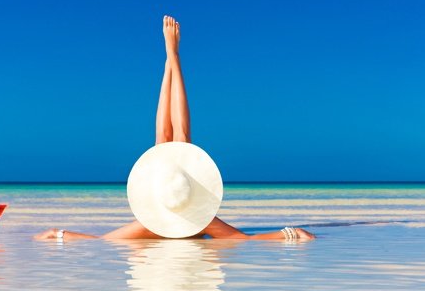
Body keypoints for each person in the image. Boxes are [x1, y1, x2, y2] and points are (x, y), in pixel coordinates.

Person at [36, 17, 314, 244]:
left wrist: (56, 234)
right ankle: (173, 58)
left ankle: (170, 60)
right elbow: (250, 239)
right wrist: (293, 233)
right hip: (187, 213)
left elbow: (99, 241)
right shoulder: (203, 223)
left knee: (168, 139)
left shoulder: (149, 226)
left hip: (167, 212)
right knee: (175, 139)